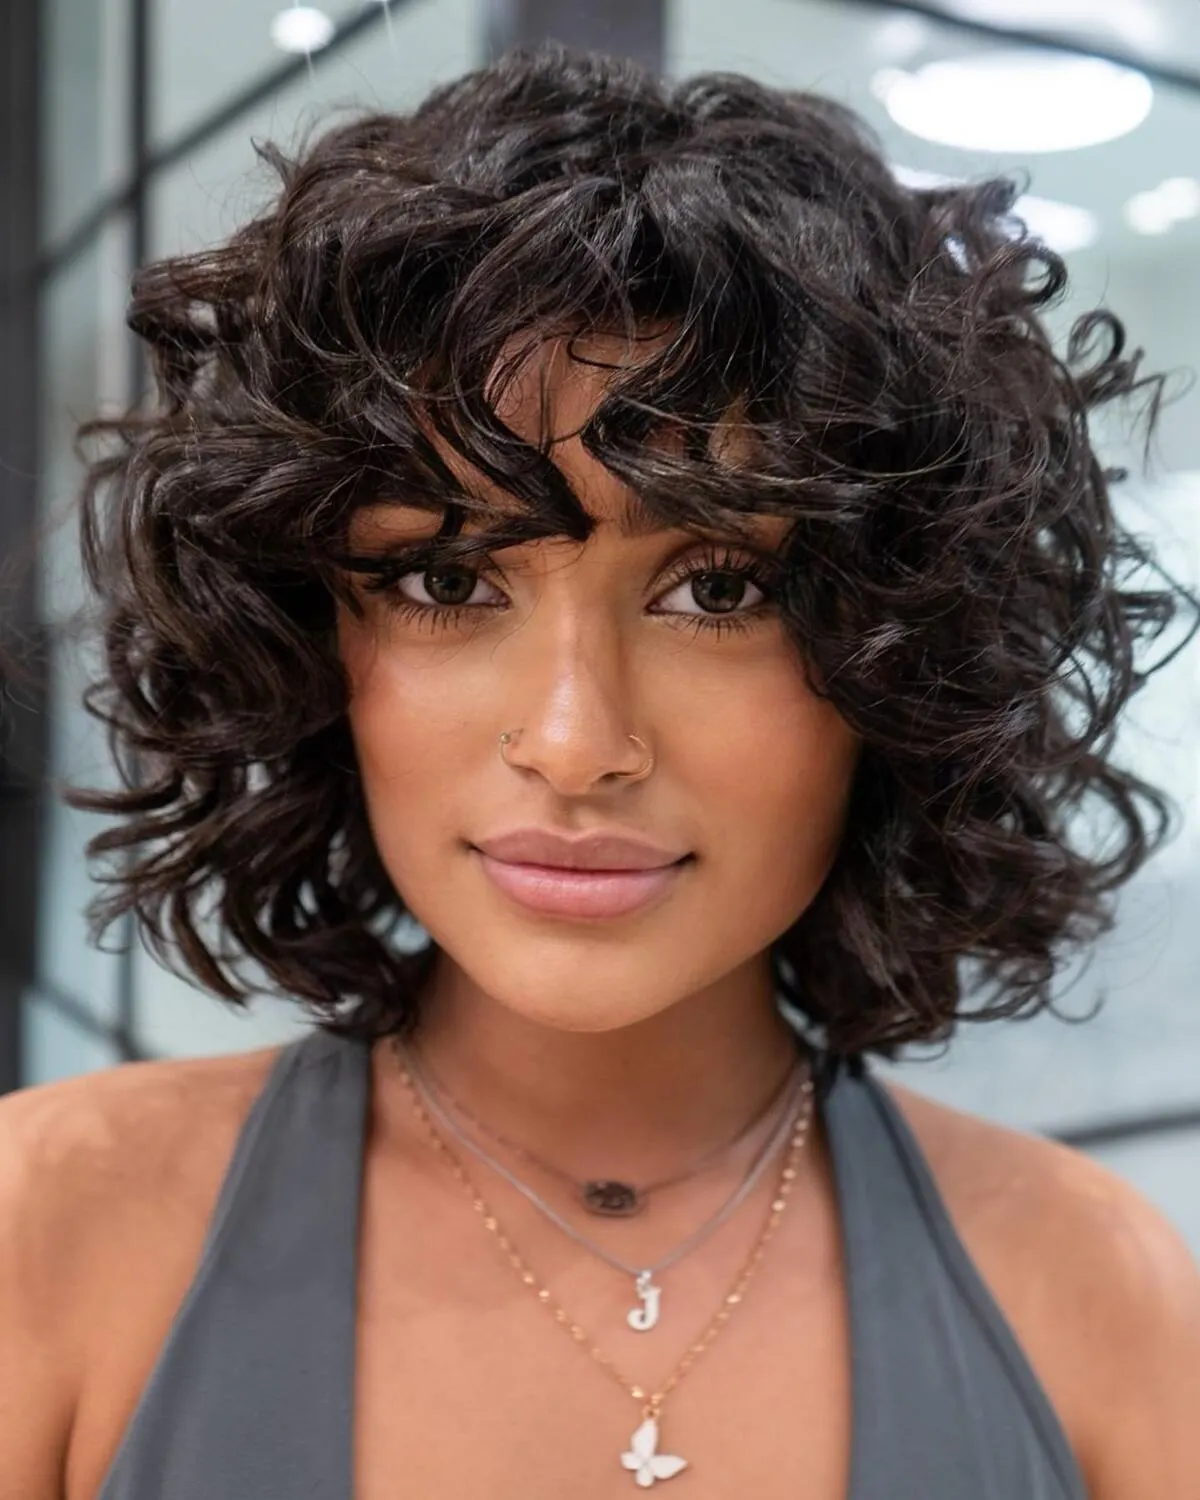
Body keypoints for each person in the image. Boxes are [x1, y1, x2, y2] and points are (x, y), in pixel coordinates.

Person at [2, 43, 1198, 1500]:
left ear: (901, 663)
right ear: (309, 639)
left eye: (718, 592)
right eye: (449, 577)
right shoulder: (45, 1235)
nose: (573, 742)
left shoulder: (1102, 1297)